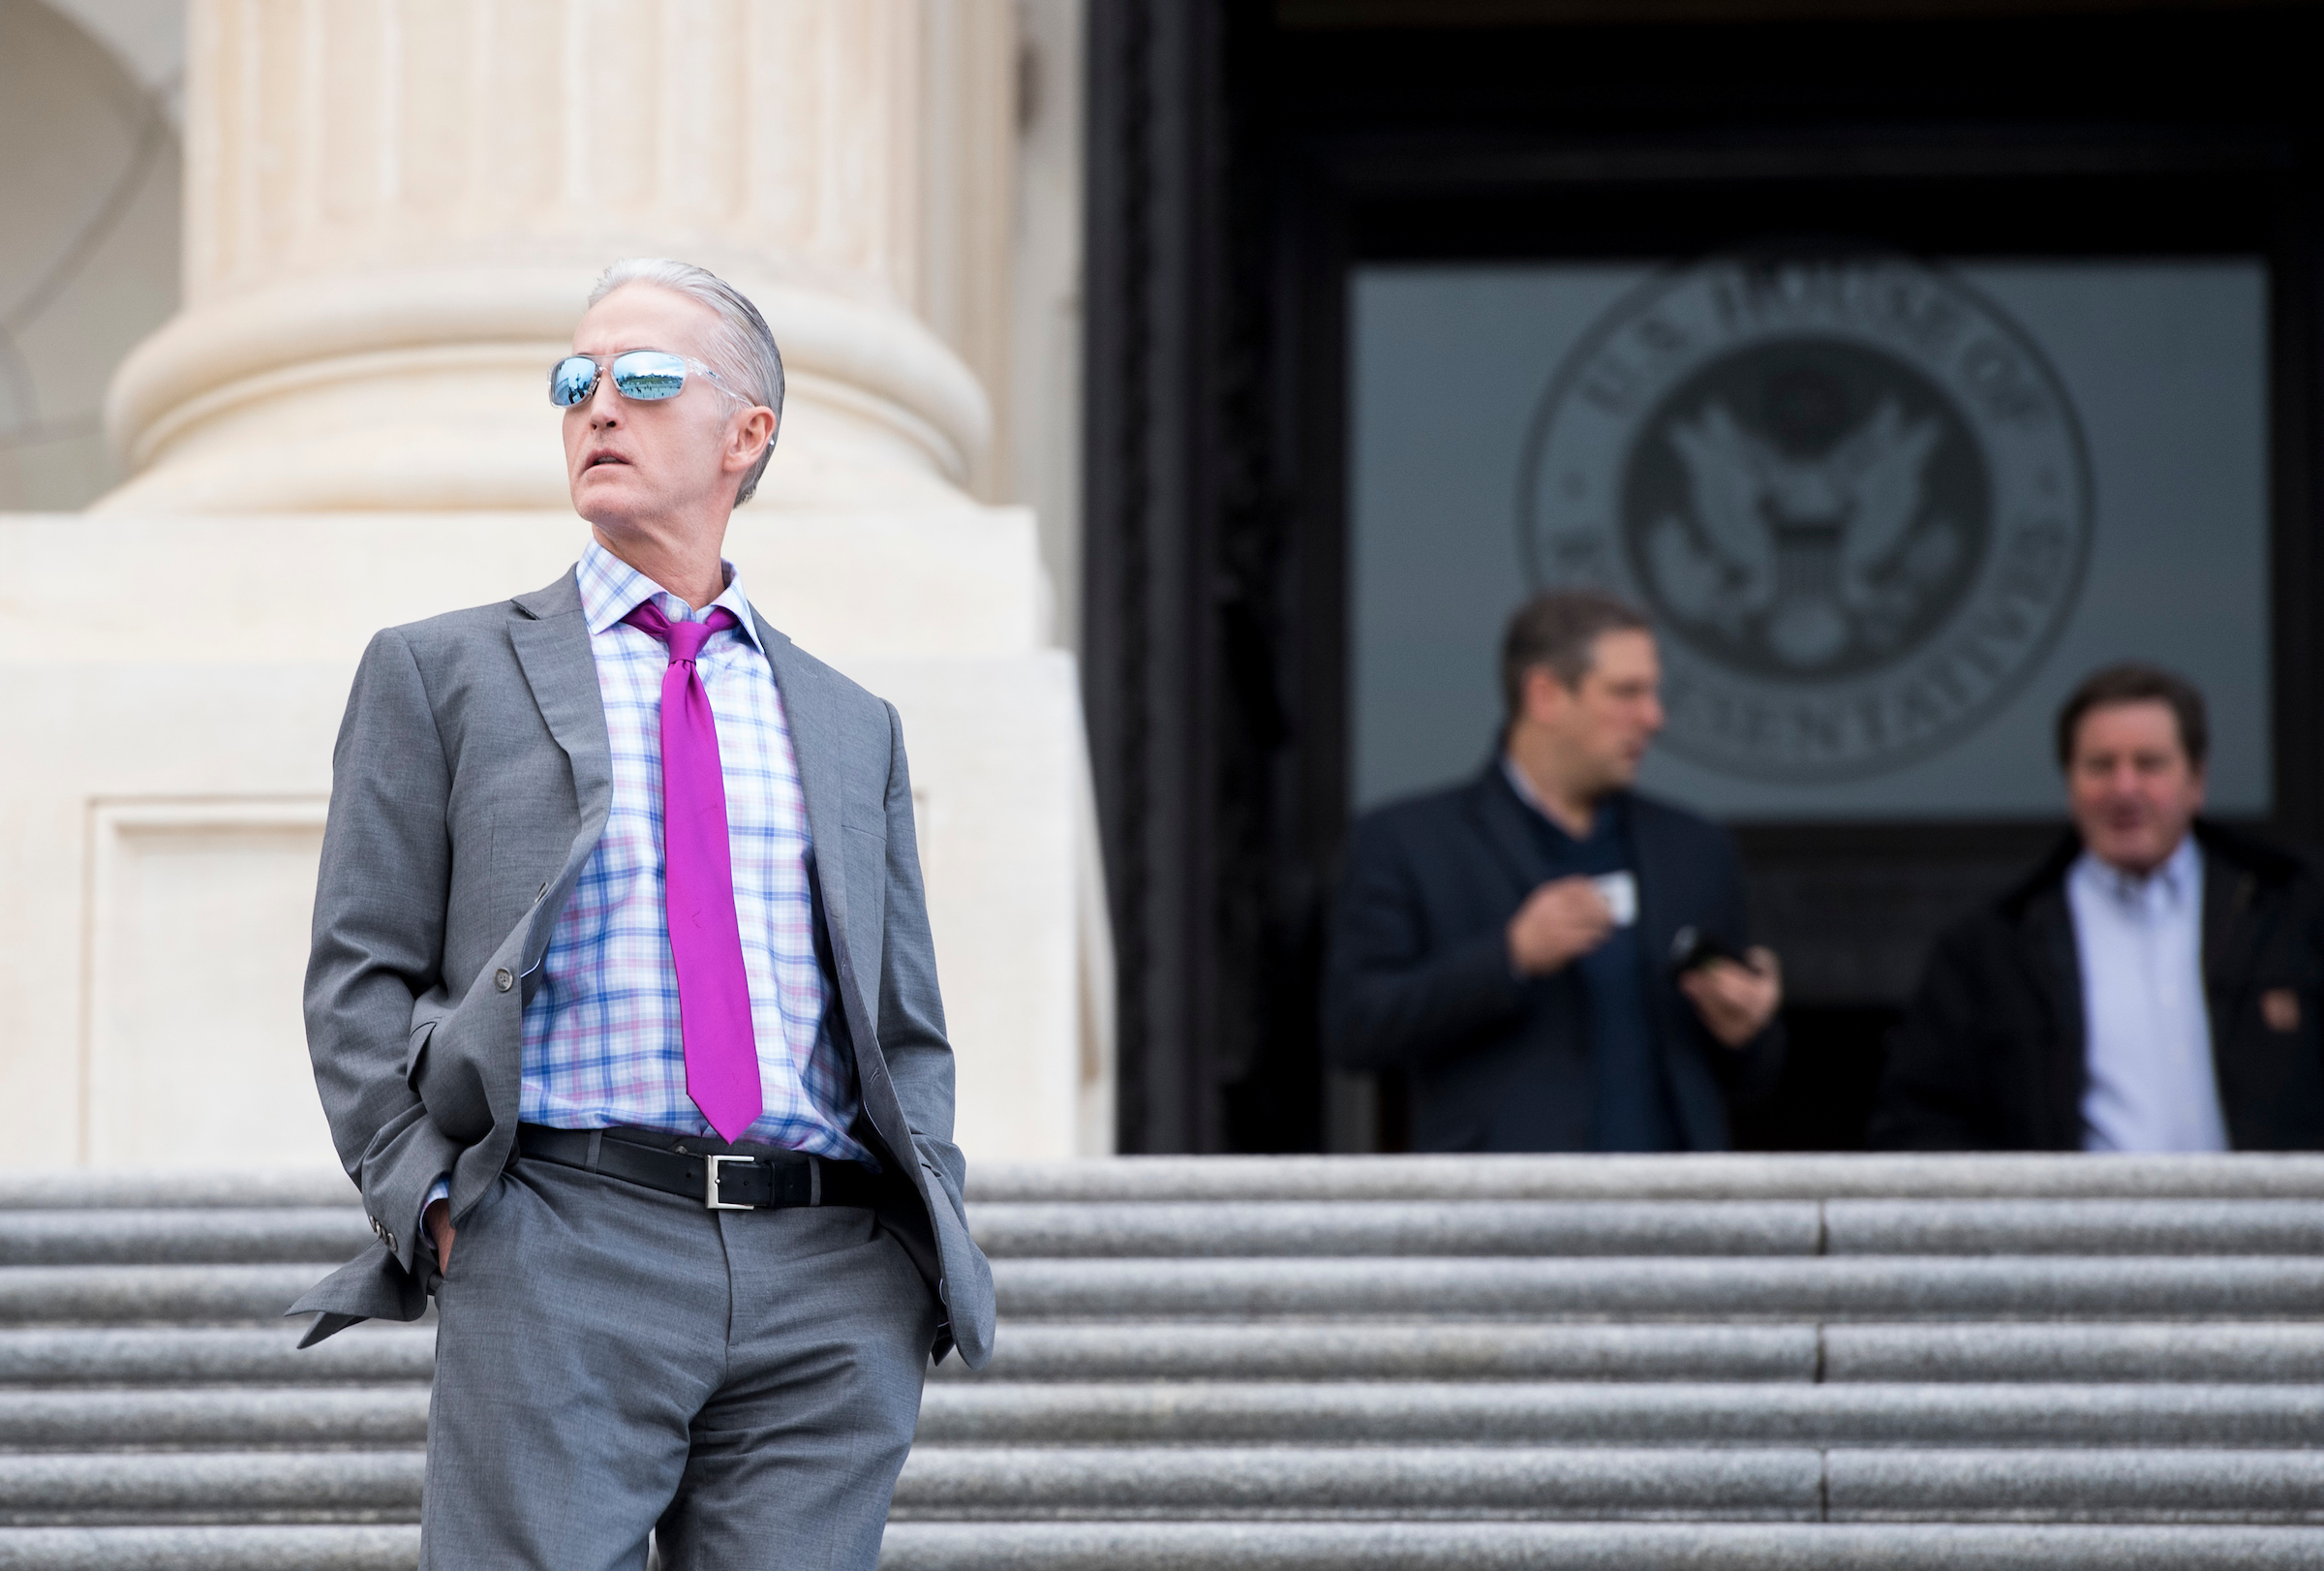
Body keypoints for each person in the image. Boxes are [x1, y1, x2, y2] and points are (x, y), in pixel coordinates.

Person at [287, 258, 994, 1569]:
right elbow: (359, 972)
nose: (598, 404)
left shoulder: (850, 722)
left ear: (748, 433)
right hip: (563, 1237)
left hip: (825, 1275)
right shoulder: (443, 672)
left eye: (645, 377)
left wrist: (911, 1237)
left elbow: (903, 1025)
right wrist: (431, 1193)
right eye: (577, 380)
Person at [1323, 590, 1784, 1152]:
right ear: (1544, 695)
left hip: (1672, 1219)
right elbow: (1353, 1030)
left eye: (1652, 692)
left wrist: (1745, 1027)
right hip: (1502, 1218)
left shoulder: (1695, 848)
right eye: (1626, 693)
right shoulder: (1410, 842)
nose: (1653, 717)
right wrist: (1510, 958)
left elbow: (1752, 1079)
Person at [1872, 662, 2324, 1152]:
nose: (2124, 790)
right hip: (2076, 1228)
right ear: (2069, 783)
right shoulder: (1993, 948)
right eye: (2101, 766)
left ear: (2198, 780)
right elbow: (1919, 1124)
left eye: (2149, 764)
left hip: (2279, 1226)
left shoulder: (2293, 914)